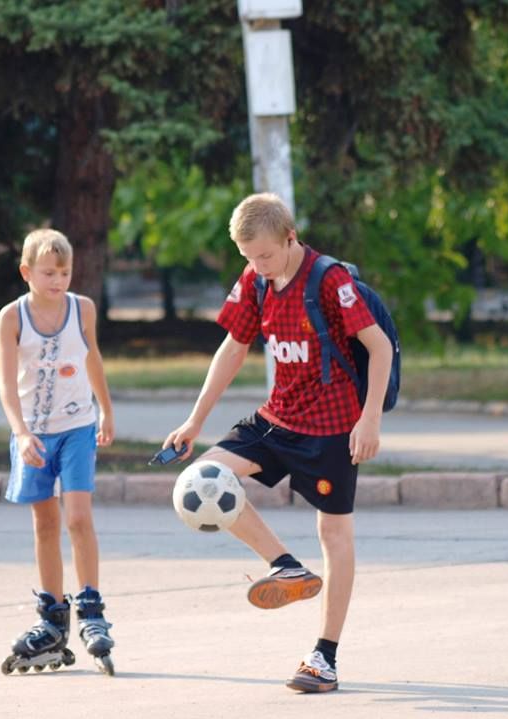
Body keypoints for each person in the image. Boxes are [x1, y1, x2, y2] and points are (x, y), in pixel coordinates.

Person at [164, 193, 394, 693]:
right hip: (278, 418)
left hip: (334, 427)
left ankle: (324, 657)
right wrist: (194, 421)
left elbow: (378, 347)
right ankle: (285, 567)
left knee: (335, 535)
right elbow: (232, 347)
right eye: (248, 257)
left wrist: (369, 420)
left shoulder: (328, 280)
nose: (257, 266)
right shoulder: (255, 280)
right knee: (200, 480)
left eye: (265, 256)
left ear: (290, 238)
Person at [0, 228, 117, 675]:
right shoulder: (12, 317)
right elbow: (7, 385)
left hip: (77, 427)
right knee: (45, 523)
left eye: (64, 272)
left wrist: (106, 410)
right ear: (27, 272)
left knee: (78, 517)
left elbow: (92, 358)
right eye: (48, 272)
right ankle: (51, 615)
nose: (57, 280)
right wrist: (22, 434)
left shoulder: (82, 308)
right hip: (34, 434)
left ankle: (90, 605)